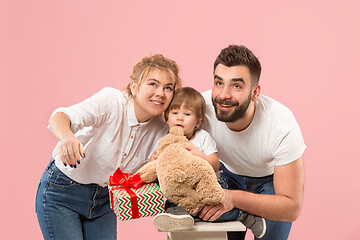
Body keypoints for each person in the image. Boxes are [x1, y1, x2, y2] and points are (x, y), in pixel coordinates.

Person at [35, 54, 181, 240]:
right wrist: (67, 138)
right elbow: (60, 117)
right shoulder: (111, 102)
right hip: (62, 192)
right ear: (134, 87)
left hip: (105, 200)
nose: (160, 93)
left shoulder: (164, 129)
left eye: (168, 88)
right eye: (153, 84)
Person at [198, 45, 306, 240]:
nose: (224, 95)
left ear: (255, 93)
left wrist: (233, 198)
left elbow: (292, 207)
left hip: (270, 181)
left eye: (237, 86)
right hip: (225, 175)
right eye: (219, 83)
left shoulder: (282, 126)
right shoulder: (200, 107)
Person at [152, 87, 266, 238]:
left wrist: (199, 155)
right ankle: (179, 216)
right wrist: (153, 160)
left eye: (187, 114)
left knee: (212, 211)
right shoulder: (164, 142)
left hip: (207, 189)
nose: (180, 118)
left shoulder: (202, 137)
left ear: (198, 122)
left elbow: (215, 163)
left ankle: (245, 217)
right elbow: (155, 170)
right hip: (183, 194)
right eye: (174, 113)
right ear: (167, 118)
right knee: (173, 203)